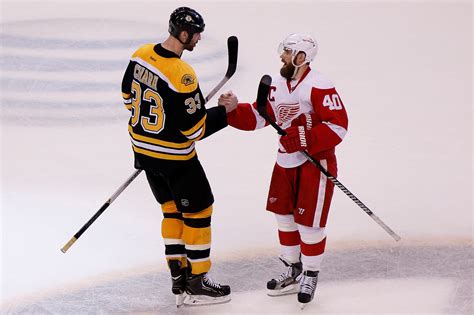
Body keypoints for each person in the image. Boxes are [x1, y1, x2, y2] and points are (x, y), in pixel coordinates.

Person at [219, 33, 348, 306]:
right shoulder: (276, 84)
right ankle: (293, 268)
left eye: (287, 52)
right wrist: (233, 109)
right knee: (284, 218)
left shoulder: (319, 84)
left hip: (315, 164)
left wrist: (305, 140)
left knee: (309, 226)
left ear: (302, 57)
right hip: (285, 162)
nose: (282, 56)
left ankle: (311, 273)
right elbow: (261, 115)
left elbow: (338, 125)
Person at [121, 7, 235, 306]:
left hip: (143, 154)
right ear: (184, 34)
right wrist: (225, 112)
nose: (198, 38)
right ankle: (197, 280)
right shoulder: (182, 74)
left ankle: (177, 277)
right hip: (176, 161)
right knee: (199, 212)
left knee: (171, 212)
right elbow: (194, 129)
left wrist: (158, 126)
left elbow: (127, 97)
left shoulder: (140, 54)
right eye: (196, 33)